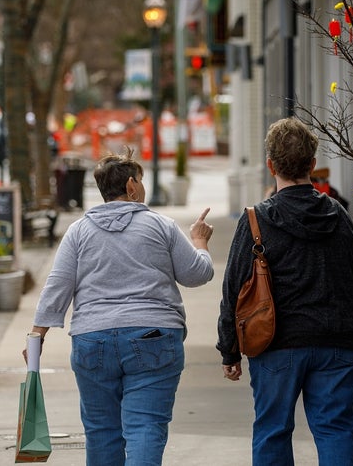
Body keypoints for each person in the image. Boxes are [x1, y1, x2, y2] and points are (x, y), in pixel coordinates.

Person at [27, 147, 215, 466]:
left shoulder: (79, 232)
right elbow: (196, 274)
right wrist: (200, 242)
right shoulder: (161, 226)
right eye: (140, 181)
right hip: (154, 337)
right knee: (145, 427)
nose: (142, 187)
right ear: (131, 185)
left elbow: (57, 286)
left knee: (101, 432)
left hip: (91, 339)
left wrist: (37, 336)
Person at [216, 117, 353, 466]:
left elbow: (235, 288)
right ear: (312, 165)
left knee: (272, 429)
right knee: (335, 428)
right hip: (337, 342)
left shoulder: (257, 220)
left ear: (271, 165)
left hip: (276, 344)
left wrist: (230, 349)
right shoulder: (339, 216)